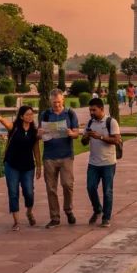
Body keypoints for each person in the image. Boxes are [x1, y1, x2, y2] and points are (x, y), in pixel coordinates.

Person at [0, 106, 42, 232]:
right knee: (13, 193)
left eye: (31, 114)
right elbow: (8, 124)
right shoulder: (15, 128)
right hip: (12, 165)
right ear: (21, 117)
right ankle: (16, 222)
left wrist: (39, 166)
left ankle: (29, 212)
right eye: (27, 114)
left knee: (29, 192)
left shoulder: (34, 132)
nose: (30, 117)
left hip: (28, 166)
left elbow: (36, 150)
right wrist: (0, 119)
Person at [38, 89, 80, 229]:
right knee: (51, 188)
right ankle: (54, 217)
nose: (56, 105)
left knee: (67, 184)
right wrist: (39, 133)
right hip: (49, 156)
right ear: (51, 101)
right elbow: (38, 135)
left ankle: (68, 210)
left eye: (58, 102)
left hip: (66, 155)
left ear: (63, 100)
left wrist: (70, 133)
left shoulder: (70, 114)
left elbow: (76, 134)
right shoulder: (45, 115)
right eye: (54, 102)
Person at [82, 98, 121, 228]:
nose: (91, 112)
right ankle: (98, 209)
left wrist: (101, 137)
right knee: (90, 187)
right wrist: (87, 136)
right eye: (90, 110)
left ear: (101, 109)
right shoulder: (89, 123)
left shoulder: (111, 122)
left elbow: (116, 141)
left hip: (108, 162)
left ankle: (106, 217)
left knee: (107, 191)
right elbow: (83, 142)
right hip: (93, 162)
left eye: (94, 110)